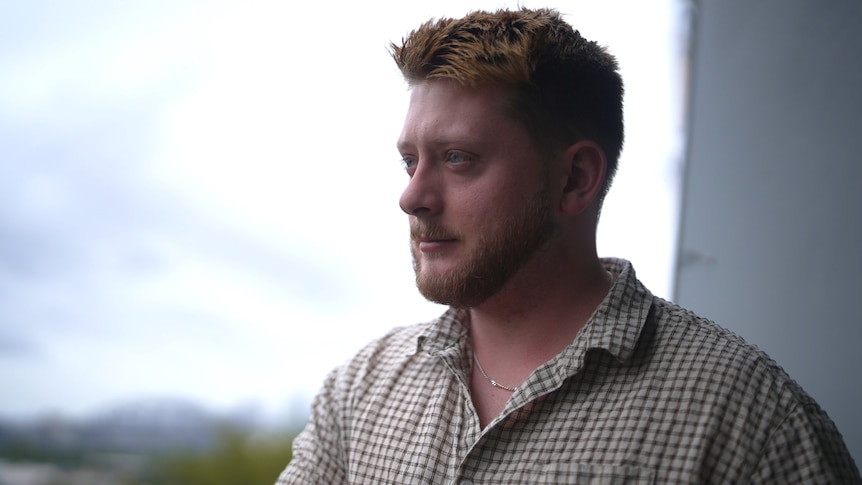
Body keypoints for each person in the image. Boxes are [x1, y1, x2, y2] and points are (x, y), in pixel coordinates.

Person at [277, 8, 860, 483]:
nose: (412, 197)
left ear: (576, 178)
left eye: (458, 158)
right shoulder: (360, 392)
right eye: (410, 161)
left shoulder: (746, 417)